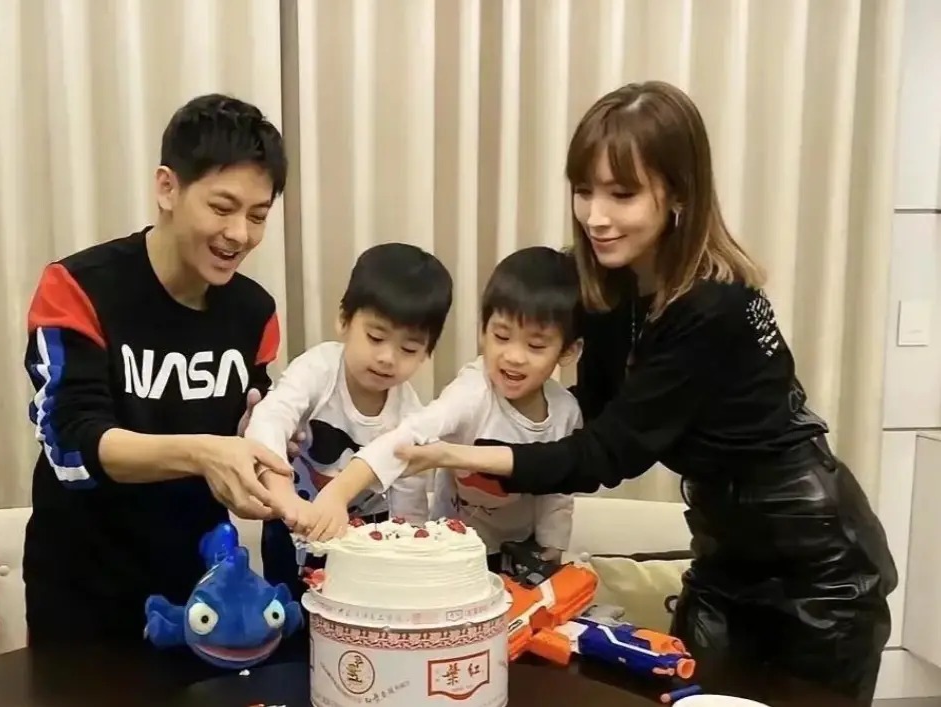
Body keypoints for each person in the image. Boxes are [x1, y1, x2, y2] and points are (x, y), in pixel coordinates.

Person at [388, 81, 898, 703]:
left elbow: (609, 453)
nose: (595, 217)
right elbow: (590, 415)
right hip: (722, 552)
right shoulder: (609, 283)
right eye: (584, 190)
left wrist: (461, 454)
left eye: (622, 194)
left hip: (818, 567)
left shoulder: (714, 305)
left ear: (679, 192)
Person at [22, 94, 295, 658]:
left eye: (258, 215)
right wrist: (203, 453)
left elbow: (250, 423)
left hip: (203, 588)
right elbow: (70, 444)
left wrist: (263, 449)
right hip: (84, 589)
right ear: (168, 188)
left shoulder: (254, 312)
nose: (239, 234)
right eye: (222, 207)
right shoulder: (78, 288)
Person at [299, 246, 582, 573]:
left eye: (535, 346)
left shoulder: (566, 412)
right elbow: (408, 436)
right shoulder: (472, 392)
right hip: (453, 545)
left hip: (521, 546)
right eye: (501, 336)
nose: (514, 356)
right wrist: (340, 491)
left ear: (568, 351)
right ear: (483, 329)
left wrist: (552, 544)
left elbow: (559, 487)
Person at [244, 242, 453, 602]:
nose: (387, 358)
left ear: (427, 353)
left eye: (408, 349)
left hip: (366, 534)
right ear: (344, 320)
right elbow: (270, 418)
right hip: (293, 515)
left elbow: (410, 509)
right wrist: (282, 494)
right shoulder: (318, 370)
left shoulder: (410, 416)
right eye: (376, 337)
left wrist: (405, 560)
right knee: (287, 612)